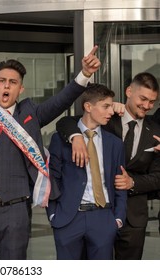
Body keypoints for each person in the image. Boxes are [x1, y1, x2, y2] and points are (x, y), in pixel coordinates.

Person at [0, 46, 100, 260]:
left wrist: (85, 74)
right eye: (2, 80)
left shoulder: (30, 113)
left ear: (20, 89)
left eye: (12, 82)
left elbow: (61, 101)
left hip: (16, 211)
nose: (6, 86)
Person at [56, 72, 160, 259]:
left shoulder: (156, 130)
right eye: (143, 99)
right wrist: (76, 136)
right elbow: (67, 122)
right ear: (129, 91)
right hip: (98, 214)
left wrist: (133, 183)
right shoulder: (107, 116)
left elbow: (158, 177)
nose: (147, 106)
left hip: (134, 217)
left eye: (152, 102)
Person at [47, 84, 127, 259]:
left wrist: (117, 219)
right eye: (105, 106)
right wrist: (53, 214)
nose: (110, 112)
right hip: (68, 218)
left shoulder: (115, 144)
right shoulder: (61, 139)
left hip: (103, 218)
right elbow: (53, 178)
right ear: (88, 107)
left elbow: (119, 182)